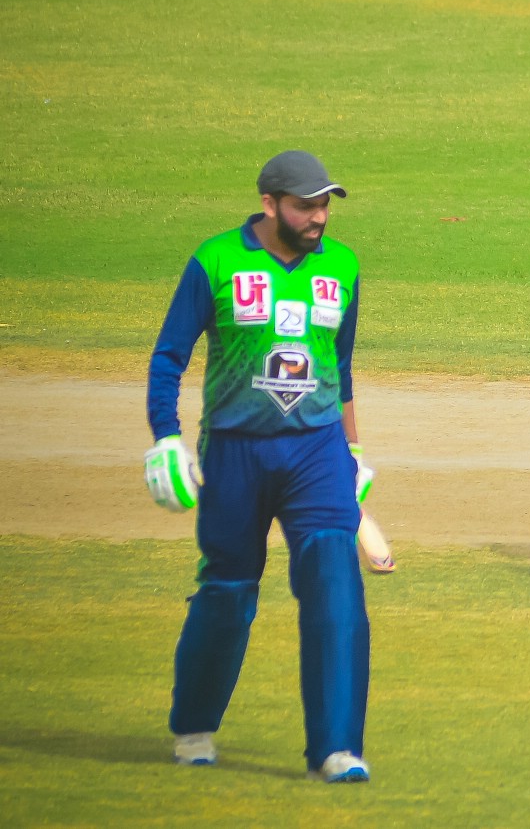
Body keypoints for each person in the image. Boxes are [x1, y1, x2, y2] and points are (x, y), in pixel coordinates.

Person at [144, 149, 375, 780]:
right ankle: (194, 726)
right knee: (227, 592)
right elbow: (169, 357)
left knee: (335, 584)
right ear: (269, 203)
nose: (318, 217)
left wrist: (354, 451)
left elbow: (340, 367)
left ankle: (337, 748)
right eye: (305, 206)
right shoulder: (217, 260)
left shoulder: (344, 266)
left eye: (324, 205)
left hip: (317, 452)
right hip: (236, 451)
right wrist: (167, 438)